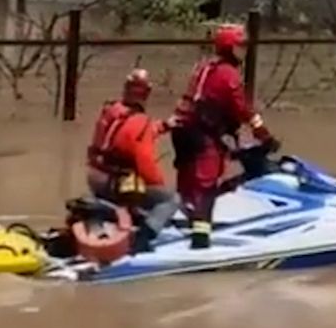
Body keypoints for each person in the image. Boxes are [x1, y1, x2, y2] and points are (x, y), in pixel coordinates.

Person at [167, 23, 277, 249]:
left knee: (187, 184)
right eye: (240, 46)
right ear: (229, 47)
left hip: (181, 131)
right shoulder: (229, 75)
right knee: (205, 187)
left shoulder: (204, 67)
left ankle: (182, 225)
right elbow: (243, 110)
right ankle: (200, 241)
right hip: (202, 134)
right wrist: (264, 136)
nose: (243, 50)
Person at [86, 69, 180, 253]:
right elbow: (145, 162)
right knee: (170, 199)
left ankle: (118, 220)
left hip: (95, 177)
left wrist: (164, 126)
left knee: (136, 194)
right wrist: (158, 186)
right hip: (115, 183)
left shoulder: (111, 110)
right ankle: (143, 238)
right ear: (146, 93)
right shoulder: (139, 121)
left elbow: (127, 135)